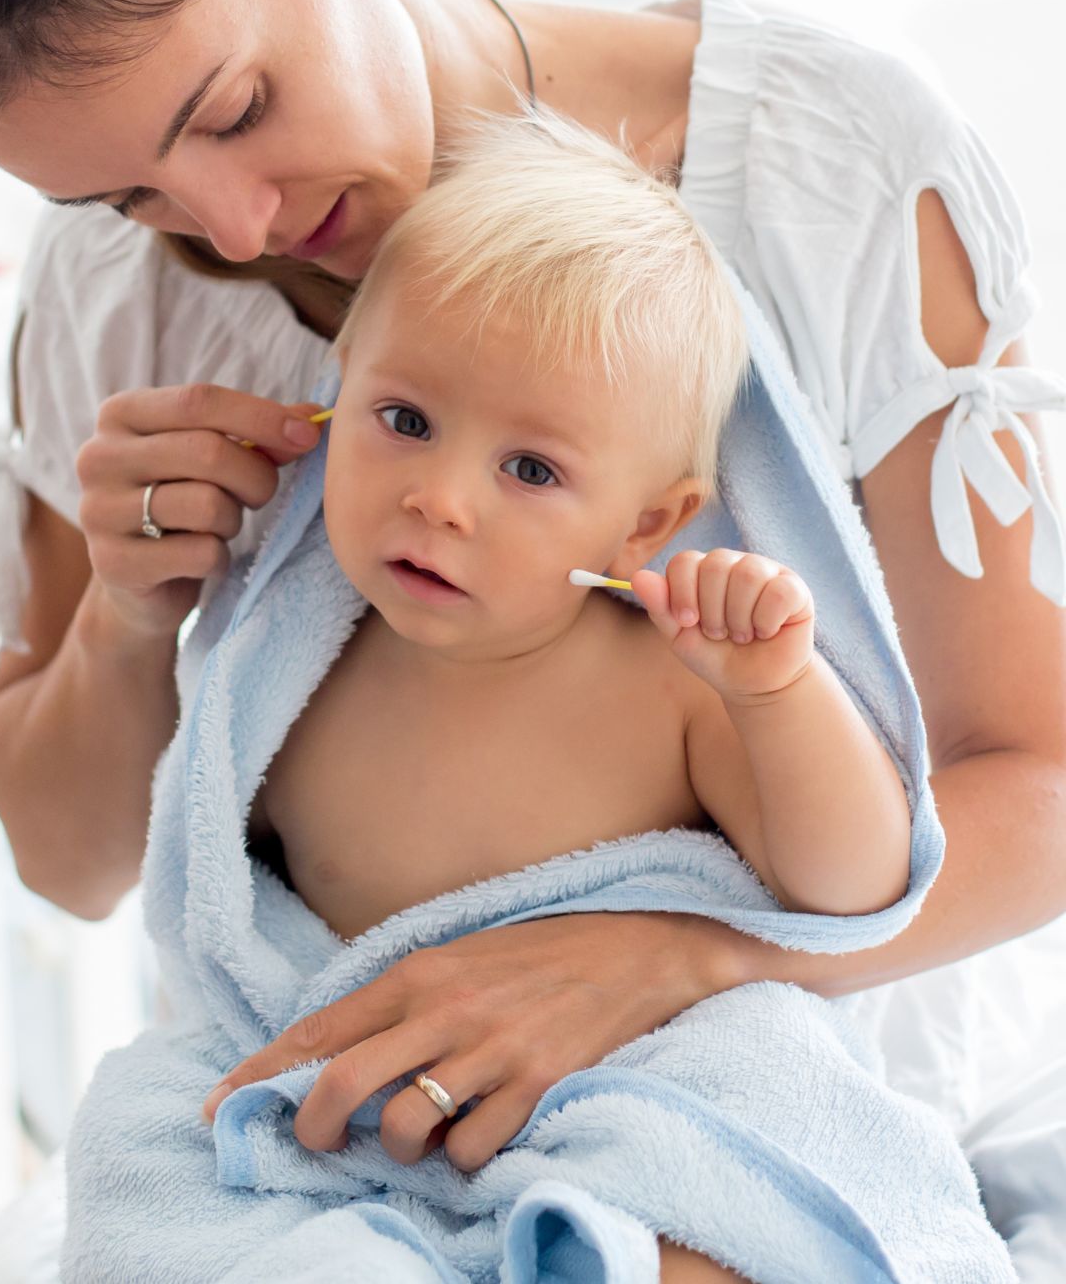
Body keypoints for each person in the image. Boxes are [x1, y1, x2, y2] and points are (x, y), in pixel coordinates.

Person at [0, 0, 1065, 1217]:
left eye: (235, 109)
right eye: (126, 198)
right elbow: (71, 866)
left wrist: (676, 961)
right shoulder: (117, 300)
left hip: (796, 1107)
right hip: (340, 1142)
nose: (226, 232)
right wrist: (125, 613)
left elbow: (1037, 774)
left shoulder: (824, 169)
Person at [204, 108, 920, 1280]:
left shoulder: (669, 683)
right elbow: (220, 920)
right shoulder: (290, 679)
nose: (441, 497)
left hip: (631, 1110)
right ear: (343, 390)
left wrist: (779, 691)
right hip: (349, 1125)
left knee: (722, 1237)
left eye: (530, 469)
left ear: (644, 522)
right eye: (406, 420)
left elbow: (854, 890)